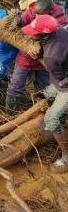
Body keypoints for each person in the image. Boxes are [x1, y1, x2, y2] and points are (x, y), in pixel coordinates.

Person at [22, 14, 68, 173]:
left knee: (51, 118)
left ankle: (66, 158)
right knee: (42, 95)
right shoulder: (61, 29)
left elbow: (60, 80)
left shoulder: (51, 57)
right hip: (62, 74)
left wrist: (38, 58)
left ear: (44, 34)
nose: (31, 34)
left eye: (35, 32)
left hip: (65, 84)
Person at [6, 0, 68, 113]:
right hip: (25, 58)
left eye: (39, 15)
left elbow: (57, 43)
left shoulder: (59, 19)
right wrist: (15, 19)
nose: (35, 16)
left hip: (46, 62)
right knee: (15, 85)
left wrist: (39, 50)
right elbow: (22, 22)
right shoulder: (34, 10)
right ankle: (9, 111)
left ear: (50, 12)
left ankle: (39, 110)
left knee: (43, 88)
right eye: (34, 13)